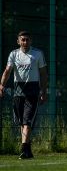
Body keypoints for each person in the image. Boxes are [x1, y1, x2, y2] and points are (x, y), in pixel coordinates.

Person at [0, 31, 48, 159]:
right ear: (18, 41)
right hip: (18, 93)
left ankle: (23, 150)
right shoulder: (13, 54)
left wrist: (43, 91)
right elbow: (7, 71)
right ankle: (28, 150)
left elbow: (43, 74)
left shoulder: (38, 54)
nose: (25, 42)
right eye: (23, 40)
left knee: (27, 122)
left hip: (32, 93)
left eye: (27, 40)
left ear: (31, 41)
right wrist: (2, 85)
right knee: (22, 123)